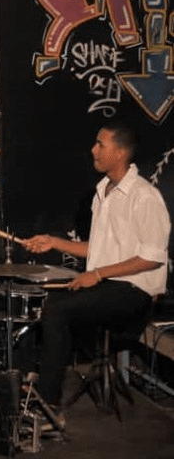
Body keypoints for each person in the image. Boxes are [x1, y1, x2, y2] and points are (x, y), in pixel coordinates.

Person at [22, 120, 170, 423]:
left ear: (120, 152)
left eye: (100, 144)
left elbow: (153, 258)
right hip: (109, 285)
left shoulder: (144, 196)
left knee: (57, 311)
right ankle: (27, 383)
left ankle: (49, 408)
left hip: (135, 292)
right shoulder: (103, 192)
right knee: (38, 300)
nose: (93, 149)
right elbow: (99, 248)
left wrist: (99, 274)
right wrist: (53, 242)